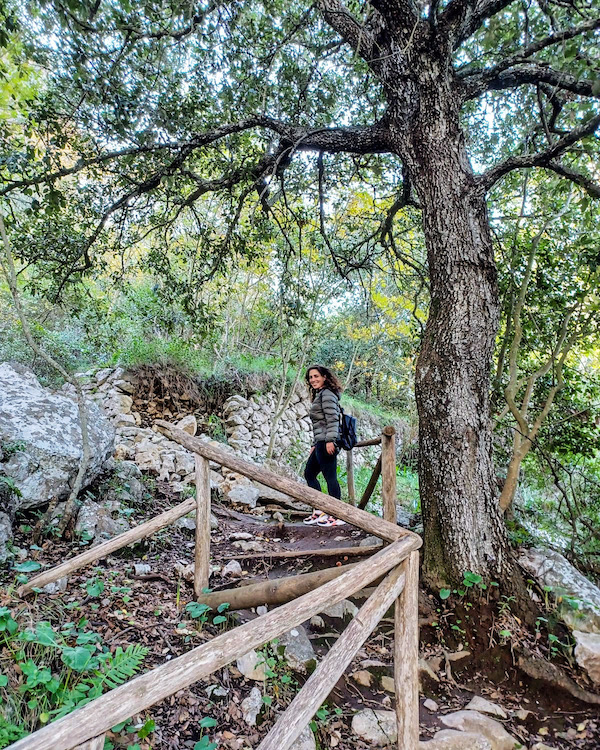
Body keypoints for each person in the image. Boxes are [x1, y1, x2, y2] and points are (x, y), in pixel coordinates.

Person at [303, 364, 346, 528]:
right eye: (310, 377)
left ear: (325, 377)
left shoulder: (327, 394)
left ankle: (337, 515)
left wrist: (330, 441)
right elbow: (320, 423)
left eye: (316, 376)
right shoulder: (321, 395)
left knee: (330, 477)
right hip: (320, 442)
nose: (313, 379)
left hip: (327, 442)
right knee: (309, 473)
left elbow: (333, 419)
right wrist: (315, 444)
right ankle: (320, 510)